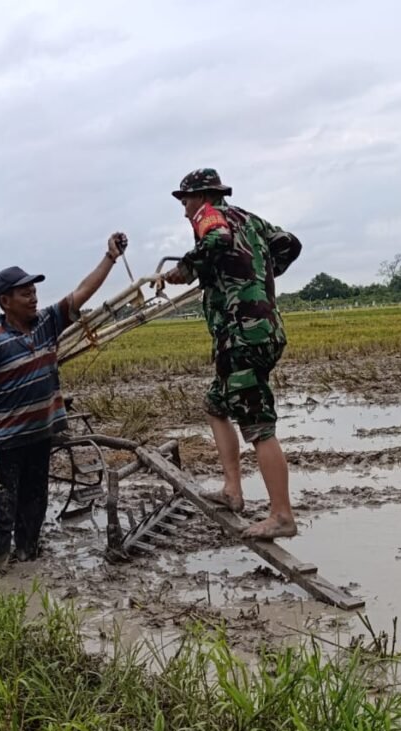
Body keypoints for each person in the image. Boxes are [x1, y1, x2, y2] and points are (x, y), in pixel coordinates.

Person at [0, 233, 128, 572]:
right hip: (6, 444)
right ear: (4, 301)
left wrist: (110, 258)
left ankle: (27, 560)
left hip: (40, 438)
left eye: (35, 292)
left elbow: (83, 292)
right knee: (3, 508)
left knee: (35, 503)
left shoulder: (47, 324)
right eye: (26, 293)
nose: (34, 298)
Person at [162, 168, 301, 539]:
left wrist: (188, 267)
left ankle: (282, 516)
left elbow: (219, 239)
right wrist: (259, 271)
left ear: (203, 197)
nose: (184, 209)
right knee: (215, 405)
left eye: (186, 200)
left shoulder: (210, 216)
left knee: (257, 425)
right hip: (262, 331)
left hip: (242, 335)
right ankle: (232, 491)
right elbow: (289, 243)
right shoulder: (251, 219)